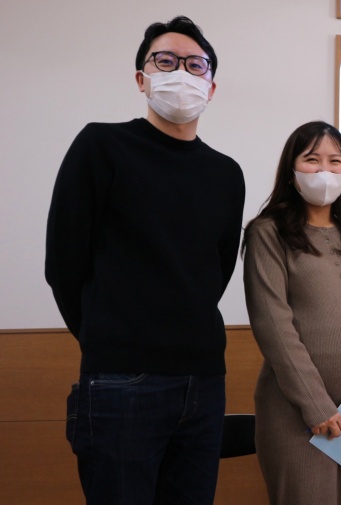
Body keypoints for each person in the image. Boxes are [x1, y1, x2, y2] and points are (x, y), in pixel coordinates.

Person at [45, 15, 245, 505]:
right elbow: (64, 263)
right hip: (120, 380)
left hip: (204, 379)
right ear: (142, 78)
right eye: (166, 61)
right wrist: (108, 337)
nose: (181, 72)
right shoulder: (101, 146)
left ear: (211, 87)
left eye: (195, 65)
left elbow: (214, 272)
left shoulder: (226, 174)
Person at [243, 121, 341, 505]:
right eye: (312, 160)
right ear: (291, 170)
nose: (325, 171)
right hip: (297, 414)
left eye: (335, 161)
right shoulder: (268, 233)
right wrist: (314, 404)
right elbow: (273, 325)